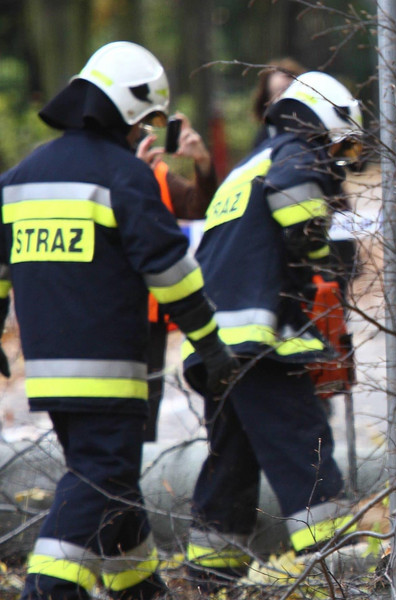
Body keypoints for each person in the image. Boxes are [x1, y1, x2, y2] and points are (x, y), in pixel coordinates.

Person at [3, 41, 238, 600]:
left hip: (49, 375)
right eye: (149, 120)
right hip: (109, 373)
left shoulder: (19, 178)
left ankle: (140, 589)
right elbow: (172, 274)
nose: (148, 132)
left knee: (115, 486)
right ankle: (47, 588)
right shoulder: (123, 177)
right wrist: (212, 345)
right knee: (101, 478)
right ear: (130, 113)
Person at [180, 71, 363, 589]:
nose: (345, 156)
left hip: (218, 345)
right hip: (258, 342)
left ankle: (209, 577)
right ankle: (342, 570)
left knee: (230, 466)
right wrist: (326, 260)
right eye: (345, 141)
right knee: (302, 444)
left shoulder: (250, 164)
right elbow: (298, 207)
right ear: (329, 118)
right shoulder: (299, 153)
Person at [135, 112, 218, 442]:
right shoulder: (88, 170)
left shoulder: (157, 174)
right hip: (104, 311)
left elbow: (200, 205)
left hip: (149, 318)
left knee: (145, 419)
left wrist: (203, 162)